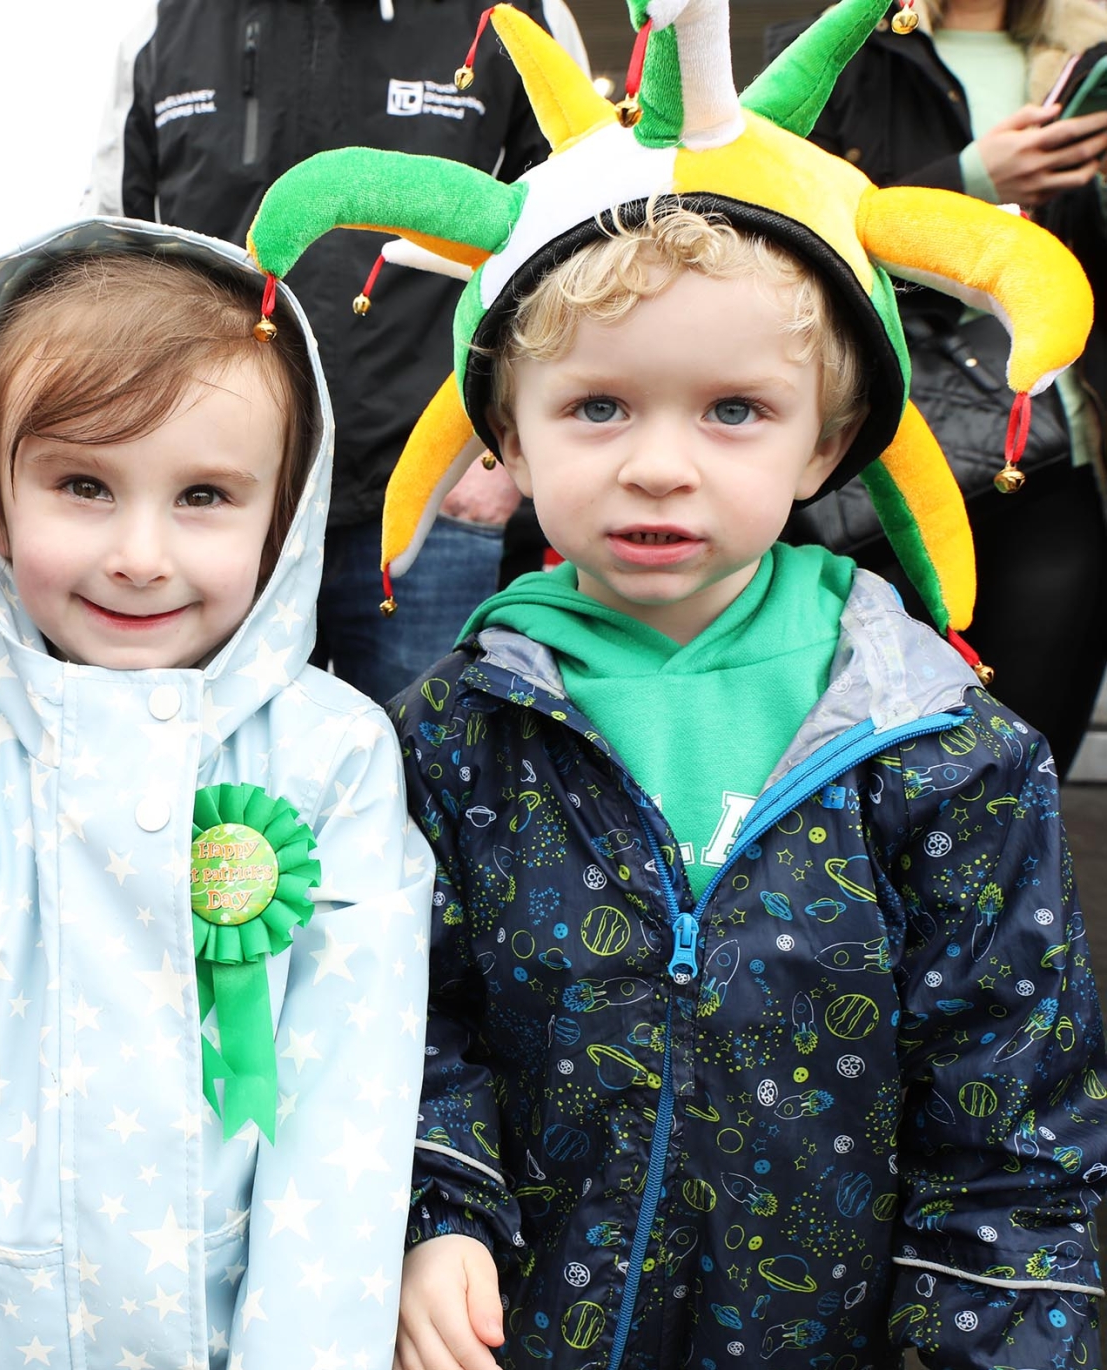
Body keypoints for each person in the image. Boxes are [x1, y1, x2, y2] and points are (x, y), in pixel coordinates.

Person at [247, 0, 1107, 1365]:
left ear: (828, 442)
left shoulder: (951, 754)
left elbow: (1014, 1139)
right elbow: (408, 1025)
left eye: (733, 410)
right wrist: (433, 1211)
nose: (660, 463)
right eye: (596, 406)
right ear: (505, 442)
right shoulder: (443, 741)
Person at [0, 222, 434, 1370]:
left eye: (203, 494)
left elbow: (347, 1110)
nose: (140, 553)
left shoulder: (333, 757)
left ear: (283, 516)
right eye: (85, 485)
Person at [84, 0, 587, 704]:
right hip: (214, 499)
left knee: (426, 787)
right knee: (204, 785)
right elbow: (113, 253)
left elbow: (579, 251)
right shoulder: (164, 22)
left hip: (428, 507)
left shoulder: (517, 14)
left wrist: (498, 460)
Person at [775, 0, 1107, 774]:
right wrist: (971, 180)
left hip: (1059, 456)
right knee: (867, 757)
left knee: (1030, 751)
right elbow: (784, 235)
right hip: (885, 454)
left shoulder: (1083, 52)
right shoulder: (834, 47)